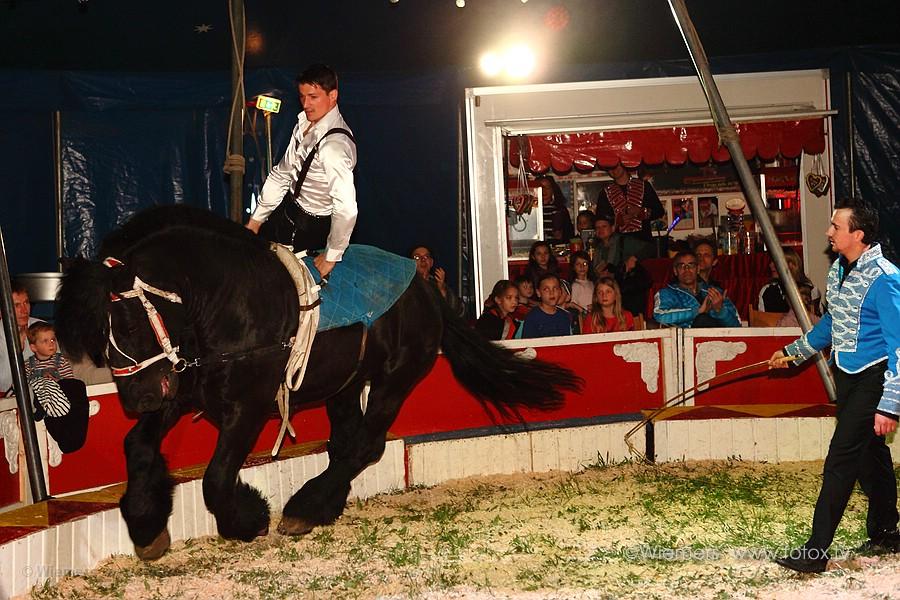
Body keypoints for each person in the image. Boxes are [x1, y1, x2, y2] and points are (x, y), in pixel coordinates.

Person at [769, 200, 900, 573]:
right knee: (869, 454)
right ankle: (885, 528)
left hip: (875, 378)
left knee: (841, 458)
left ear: (857, 234)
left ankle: (816, 551)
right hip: (847, 373)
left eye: (835, 226)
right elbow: (832, 323)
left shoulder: (886, 278)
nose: (828, 232)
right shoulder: (839, 269)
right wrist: (792, 352)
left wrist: (889, 404)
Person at [245, 64, 357, 279]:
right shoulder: (303, 123)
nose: (306, 104)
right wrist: (256, 221)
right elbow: (282, 174)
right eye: (302, 96)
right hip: (286, 212)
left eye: (313, 97)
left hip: (311, 230)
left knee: (283, 291)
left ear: (332, 95)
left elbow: (346, 209)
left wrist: (331, 257)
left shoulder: (334, 146)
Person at [653, 251, 741, 328]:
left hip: (718, 343)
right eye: (681, 266)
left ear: (698, 269)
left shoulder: (715, 293)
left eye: (691, 265)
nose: (686, 269)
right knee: (702, 319)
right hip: (686, 343)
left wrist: (720, 310)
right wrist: (697, 311)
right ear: (675, 271)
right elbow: (659, 316)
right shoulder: (667, 293)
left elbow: (737, 327)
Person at [595, 162, 665, 250]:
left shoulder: (644, 186)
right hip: (619, 245)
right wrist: (617, 220)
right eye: (610, 168)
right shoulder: (605, 193)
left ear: (624, 165)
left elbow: (659, 211)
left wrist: (641, 211)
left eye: (616, 165)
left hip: (644, 241)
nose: (613, 170)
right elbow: (601, 219)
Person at [1, 280, 41, 396]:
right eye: (17, 305)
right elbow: (3, 385)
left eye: (26, 303)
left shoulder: (41, 328)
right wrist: (17, 350)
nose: (24, 310)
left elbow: (58, 365)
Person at [758, 247, 821, 315]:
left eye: (776, 262)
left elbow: (819, 321)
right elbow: (762, 321)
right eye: (771, 261)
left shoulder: (811, 290)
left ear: (791, 265)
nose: (771, 265)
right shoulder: (767, 291)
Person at [411, 245, 465, 318]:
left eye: (426, 257)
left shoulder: (438, 284)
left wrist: (442, 291)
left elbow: (461, 312)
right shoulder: (404, 286)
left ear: (431, 262)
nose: (423, 260)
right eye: (417, 257)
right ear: (410, 263)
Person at [521, 274, 572, 339]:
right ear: (538, 293)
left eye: (555, 288)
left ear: (560, 292)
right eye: (546, 289)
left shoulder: (565, 316)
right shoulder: (532, 317)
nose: (551, 293)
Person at [534, 175, 574, 243]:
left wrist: (561, 236)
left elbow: (569, 233)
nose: (544, 190)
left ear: (553, 190)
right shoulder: (533, 209)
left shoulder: (560, 209)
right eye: (541, 187)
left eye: (548, 187)